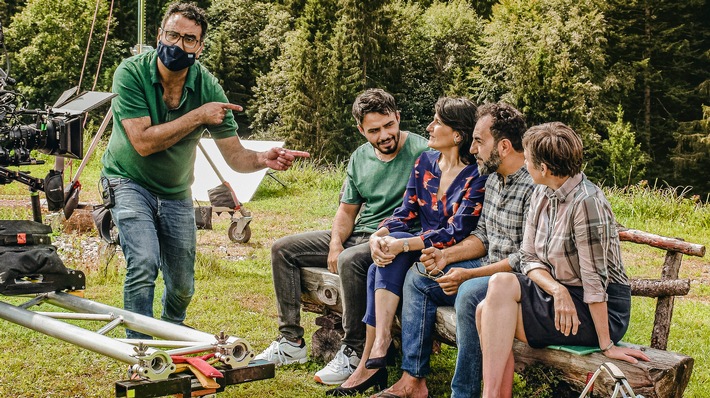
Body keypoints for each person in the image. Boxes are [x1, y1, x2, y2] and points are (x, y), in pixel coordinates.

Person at [101, 2, 309, 339]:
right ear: (159, 35)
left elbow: (236, 155)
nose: (178, 45)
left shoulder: (207, 87)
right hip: (128, 180)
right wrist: (198, 116)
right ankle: (137, 350)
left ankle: (172, 332)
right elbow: (142, 142)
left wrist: (263, 158)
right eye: (172, 35)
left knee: (182, 285)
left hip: (175, 190)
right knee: (143, 263)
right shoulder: (131, 73)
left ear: (199, 46)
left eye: (188, 39)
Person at [255, 89, 430, 386]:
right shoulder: (359, 157)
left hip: (394, 238)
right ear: (361, 130)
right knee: (282, 249)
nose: (384, 135)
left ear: (398, 117)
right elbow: (347, 212)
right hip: (359, 234)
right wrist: (335, 242)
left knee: (350, 260)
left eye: (389, 125)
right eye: (374, 130)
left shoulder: (423, 152)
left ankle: (354, 349)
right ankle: (290, 342)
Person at [327, 97, 487, 396]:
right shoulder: (425, 162)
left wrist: (402, 244)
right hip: (421, 245)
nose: (429, 126)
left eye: (437, 121)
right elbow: (406, 212)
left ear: (457, 135)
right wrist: (380, 235)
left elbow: (457, 231)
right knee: (380, 262)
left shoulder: (476, 175)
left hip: (448, 253)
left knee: (395, 265)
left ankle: (381, 356)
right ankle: (381, 343)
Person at [477, 122, 650, 397]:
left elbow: (595, 280)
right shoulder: (542, 192)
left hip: (599, 309)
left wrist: (607, 344)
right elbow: (528, 257)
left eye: (529, 159)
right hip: (563, 293)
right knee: (495, 291)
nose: (525, 164)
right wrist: (556, 290)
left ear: (543, 168)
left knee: (487, 313)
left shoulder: (587, 202)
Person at [377, 102, 534, 398]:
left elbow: (525, 258)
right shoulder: (494, 178)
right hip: (487, 264)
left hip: (514, 278)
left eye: (479, 141)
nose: (473, 149)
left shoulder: (533, 185)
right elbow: (482, 237)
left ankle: (464, 393)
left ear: (502, 146)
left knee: (468, 293)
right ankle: (413, 379)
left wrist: (463, 275)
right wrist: (445, 257)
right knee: (419, 277)